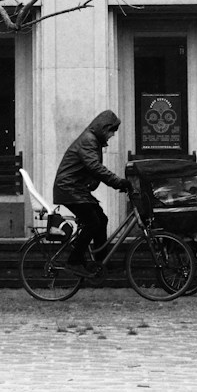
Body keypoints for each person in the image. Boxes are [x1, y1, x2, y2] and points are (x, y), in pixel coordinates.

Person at [52, 110, 130, 277]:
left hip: (76, 189)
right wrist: (118, 182)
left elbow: (93, 170)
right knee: (93, 223)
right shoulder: (89, 140)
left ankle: (101, 262)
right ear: (104, 128)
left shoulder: (92, 140)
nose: (112, 136)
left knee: (102, 219)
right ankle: (73, 261)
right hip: (69, 189)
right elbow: (94, 167)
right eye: (111, 132)